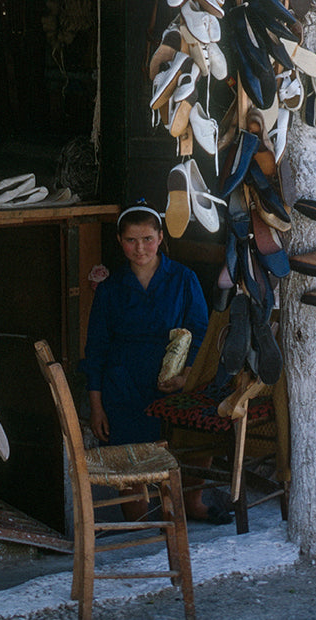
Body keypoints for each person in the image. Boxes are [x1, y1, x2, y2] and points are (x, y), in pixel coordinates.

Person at [82, 202, 213, 520]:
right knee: (131, 469)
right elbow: (96, 349)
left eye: (147, 239)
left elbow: (200, 334)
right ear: (119, 240)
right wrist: (96, 406)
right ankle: (140, 521)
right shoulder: (110, 290)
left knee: (190, 445)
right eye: (131, 240)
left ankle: (190, 506)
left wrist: (186, 376)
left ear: (161, 237)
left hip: (173, 383)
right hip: (123, 386)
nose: (140, 248)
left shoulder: (183, 279)